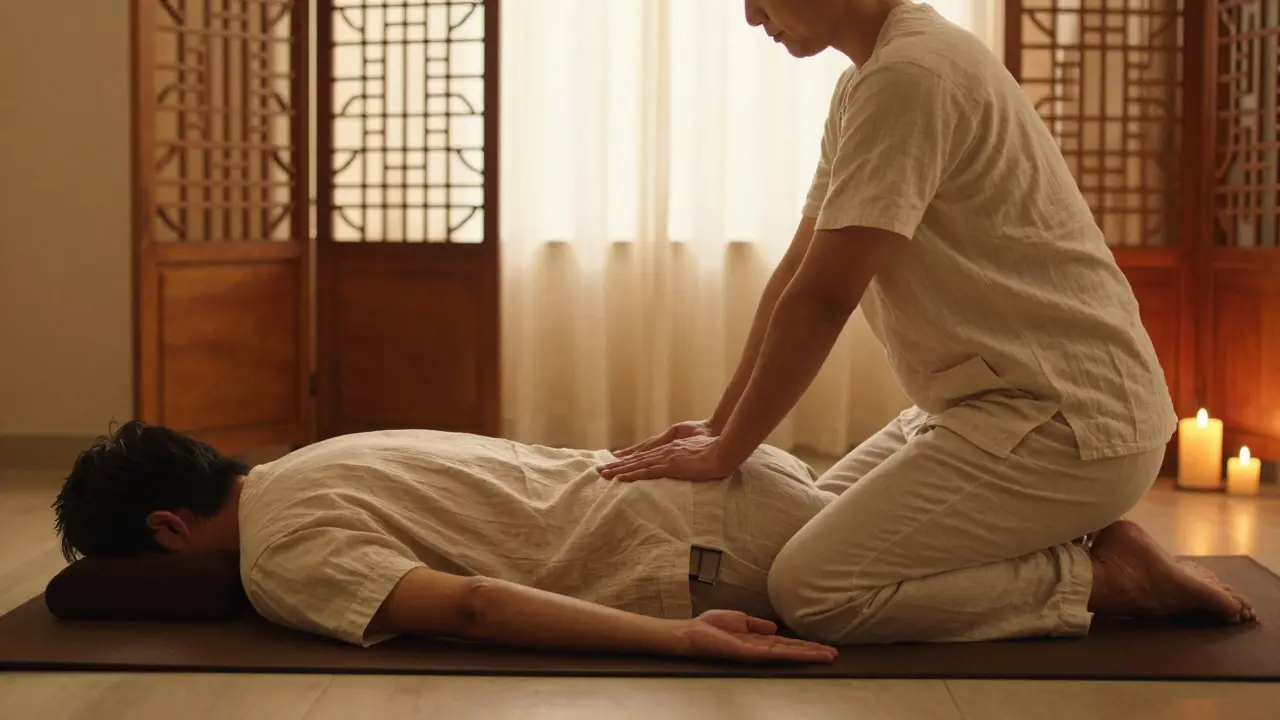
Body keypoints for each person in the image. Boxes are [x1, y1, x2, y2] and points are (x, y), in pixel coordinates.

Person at [598, 0, 1257, 644]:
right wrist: (720, 426)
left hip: (1068, 422)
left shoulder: (909, 75)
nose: (748, 16)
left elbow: (826, 299)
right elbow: (799, 276)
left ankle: (1101, 578)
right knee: (800, 529)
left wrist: (727, 449)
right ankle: (1069, 539)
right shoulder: (866, 79)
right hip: (991, 405)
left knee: (812, 589)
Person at [52, 420, 839, 663]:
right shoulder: (320, 453)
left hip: (718, 556)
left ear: (167, 528)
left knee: (953, 587)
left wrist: (684, 640)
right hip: (739, 478)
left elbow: (470, 606)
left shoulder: (275, 557)